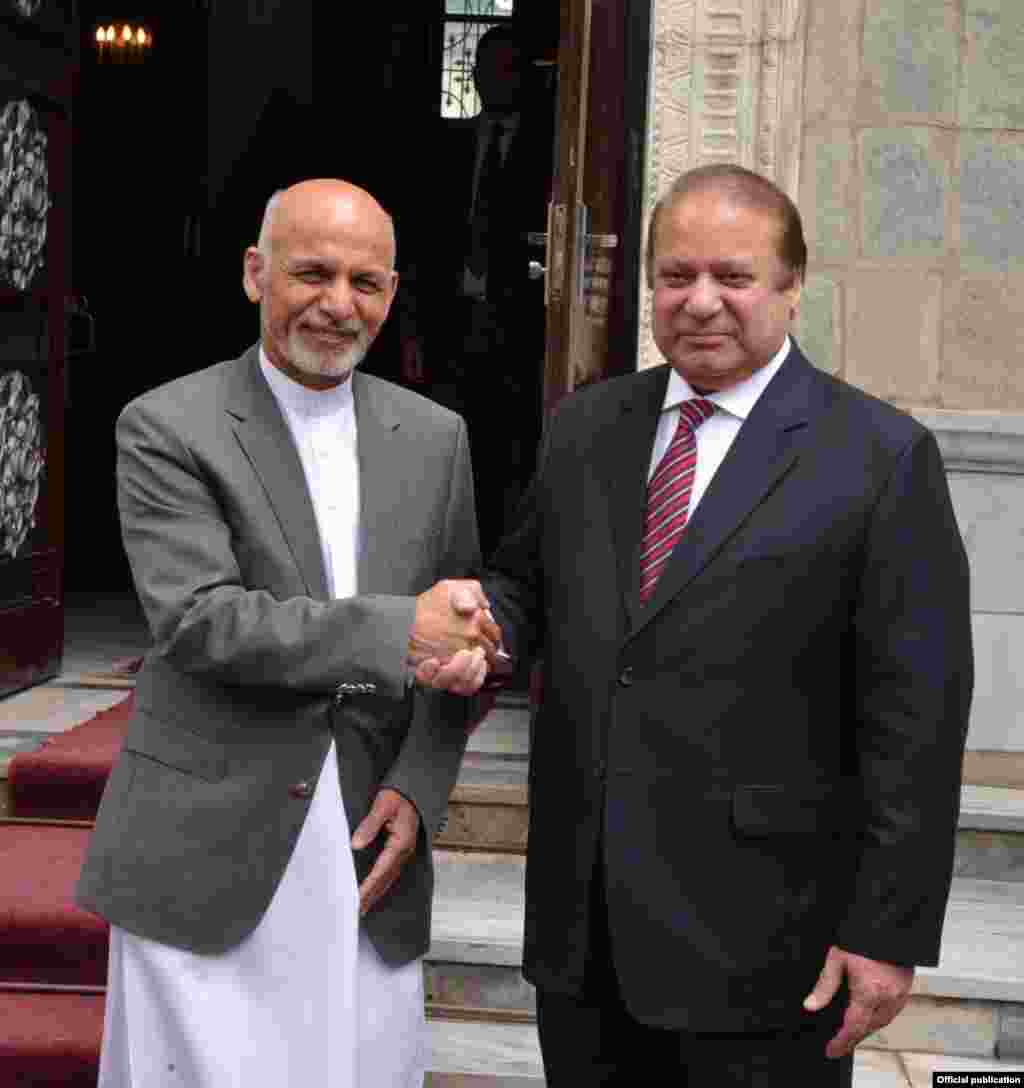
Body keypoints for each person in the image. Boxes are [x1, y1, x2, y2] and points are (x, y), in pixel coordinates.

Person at [417, 164, 974, 1085]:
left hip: (768, 952)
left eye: (733, 276)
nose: (701, 302)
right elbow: (526, 586)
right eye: (676, 276)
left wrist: (886, 930)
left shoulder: (880, 458)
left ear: (793, 286)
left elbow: (916, 718)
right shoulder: (585, 427)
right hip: (585, 934)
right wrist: (482, 626)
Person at [76, 178, 499, 1087]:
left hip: (365, 839)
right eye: (312, 273)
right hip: (208, 834)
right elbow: (200, 620)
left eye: (366, 282)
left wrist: (422, 781)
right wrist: (407, 632)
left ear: (392, 292)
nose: (338, 304)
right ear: (254, 273)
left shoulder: (437, 438)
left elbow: (457, 635)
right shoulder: (167, 424)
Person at [401, 23, 554, 556]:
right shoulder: (447, 144)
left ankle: (508, 556)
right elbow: (421, 239)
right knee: (451, 442)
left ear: (524, 76)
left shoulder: (553, 146)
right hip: (453, 320)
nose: (496, 79)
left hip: (521, 323)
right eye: (486, 68)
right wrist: (412, 328)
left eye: (508, 68)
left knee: (515, 446)